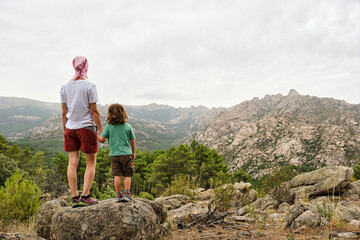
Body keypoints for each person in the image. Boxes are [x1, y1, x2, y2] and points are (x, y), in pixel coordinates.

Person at [60, 56, 104, 207]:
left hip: (70, 128)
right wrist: (102, 130)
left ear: (74, 67)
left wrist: (65, 129)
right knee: (90, 163)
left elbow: (64, 112)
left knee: (72, 163)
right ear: (86, 66)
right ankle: (85, 196)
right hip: (86, 128)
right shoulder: (90, 86)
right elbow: (94, 112)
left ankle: (74, 197)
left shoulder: (64, 87)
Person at [98, 103, 136, 202]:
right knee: (127, 174)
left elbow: (101, 138)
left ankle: (118, 195)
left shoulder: (109, 127)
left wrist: (101, 138)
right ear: (123, 114)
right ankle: (127, 194)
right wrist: (133, 152)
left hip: (114, 155)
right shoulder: (128, 126)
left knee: (117, 175)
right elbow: (132, 141)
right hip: (127, 154)